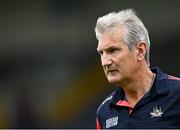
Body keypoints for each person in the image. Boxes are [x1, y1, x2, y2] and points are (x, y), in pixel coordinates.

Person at [95, 8, 180, 129]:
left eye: (113, 50)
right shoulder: (104, 112)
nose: (105, 62)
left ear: (140, 51)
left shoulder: (177, 94)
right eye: (101, 53)